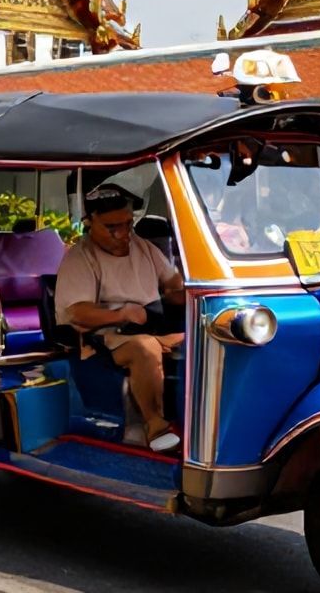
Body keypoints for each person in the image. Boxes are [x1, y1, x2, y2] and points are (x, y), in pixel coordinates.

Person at [55, 182, 186, 452]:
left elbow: (173, 284)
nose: (122, 234)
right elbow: (76, 312)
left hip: (152, 326)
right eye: (112, 227)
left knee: (203, 339)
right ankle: (156, 427)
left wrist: (183, 290)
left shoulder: (143, 247)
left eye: (127, 224)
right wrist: (120, 314)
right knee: (145, 348)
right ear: (90, 222)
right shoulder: (81, 257)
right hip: (104, 336)